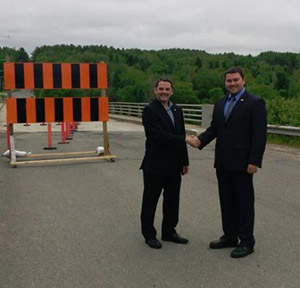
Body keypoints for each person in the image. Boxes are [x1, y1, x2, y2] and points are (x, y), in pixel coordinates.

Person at [188, 67, 267, 258]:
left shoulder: (254, 103)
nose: (232, 83)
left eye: (235, 80)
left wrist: (254, 161)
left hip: (243, 163)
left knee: (244, 203)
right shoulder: (221, 102)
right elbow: (215, 128)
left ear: (243, 80)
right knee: (227, 200)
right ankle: (230, 236)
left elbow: (259, 135)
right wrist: (200, 140)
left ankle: (247, 241)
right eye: (229, 81)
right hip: (222, 162)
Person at [140, 76, 194, 249]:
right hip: (155, 165)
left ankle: (169, 231)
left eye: (167, 89)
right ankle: (149, 234)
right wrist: (184, 139)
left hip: (174, 165)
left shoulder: (177, 110)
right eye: (160, 89)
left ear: (172, 91)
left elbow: (180, 133)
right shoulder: (150, 110)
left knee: (172, 200)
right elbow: (158, 136)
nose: (164, 92)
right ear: (155, 90)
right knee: (150, 201)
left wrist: (184, 161)